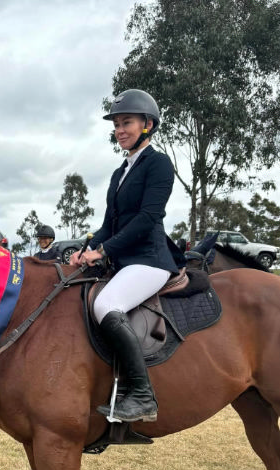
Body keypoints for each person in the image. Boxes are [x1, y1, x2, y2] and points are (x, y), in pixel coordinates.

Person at [70, 88, 185, 423]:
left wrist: (105, 250)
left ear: (147, 124)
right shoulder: (120, 173)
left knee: (105, 304)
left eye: (127, 123)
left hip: (150, 261)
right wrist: (86, 249)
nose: (120, 129)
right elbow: (109, 224)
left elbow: (147, 218)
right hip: (125, 261)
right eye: (117, 124)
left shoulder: (158, 164)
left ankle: (142, 395)